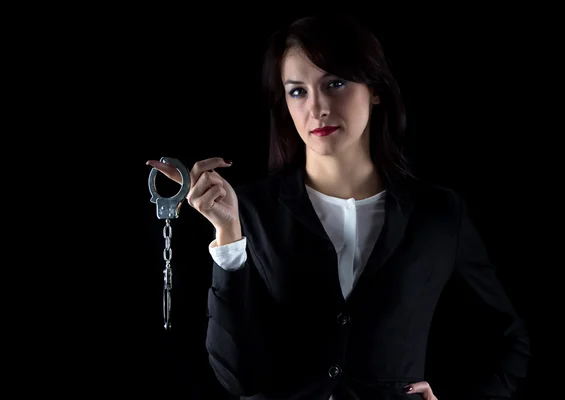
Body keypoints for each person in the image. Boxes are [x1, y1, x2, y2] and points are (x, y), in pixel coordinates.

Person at [146, 13, 531, 400]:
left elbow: (510, 341)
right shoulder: (251, 210)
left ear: (374, 89)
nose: (318, 108)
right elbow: (239, 376)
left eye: (335, 83)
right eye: (298, 91)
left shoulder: (438, 213)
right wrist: (228, 236)